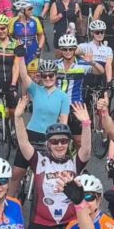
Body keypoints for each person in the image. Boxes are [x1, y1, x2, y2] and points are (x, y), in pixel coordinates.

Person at [13, 96, 91, 229]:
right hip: (41, 226)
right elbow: (24, 143)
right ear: (48, 144)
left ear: (69, 143)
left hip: (70, 225)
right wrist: (18, 117)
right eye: (55, 142)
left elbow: (86, 149)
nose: (60, 145)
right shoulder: (39, 161)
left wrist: (86, 124)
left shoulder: (74, 163)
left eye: (63, 141)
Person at [9, 58, 70, 197]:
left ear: (56, 75)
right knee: (16, 173)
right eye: (44, 76)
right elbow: (23, 75)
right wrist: (21, 56)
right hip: (30, 134)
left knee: (44, 175)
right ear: (41, 77)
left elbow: (63, 122)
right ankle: (8, 203)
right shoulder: (36, 90)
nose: (48, 78)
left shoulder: (63, 97)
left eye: (51, 75)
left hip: (49, 138)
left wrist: (62, 140)